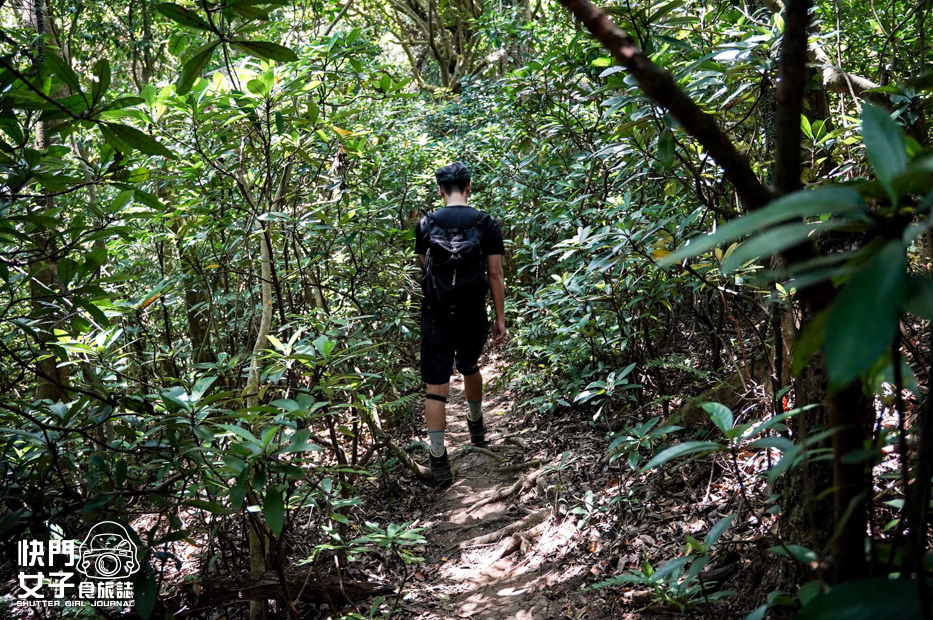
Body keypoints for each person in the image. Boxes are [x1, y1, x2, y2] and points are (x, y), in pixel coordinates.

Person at [415, 161, 506, 487]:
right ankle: (476, 424)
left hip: (435, 315)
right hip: (472, 314)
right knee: (469, 365)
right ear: (469, 188)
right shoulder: (486, 223)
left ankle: (439, 461)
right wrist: (499, 318)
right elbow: (494, 275)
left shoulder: (426, 224)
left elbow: (424, 270)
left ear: (440, 190)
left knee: (436, 388)